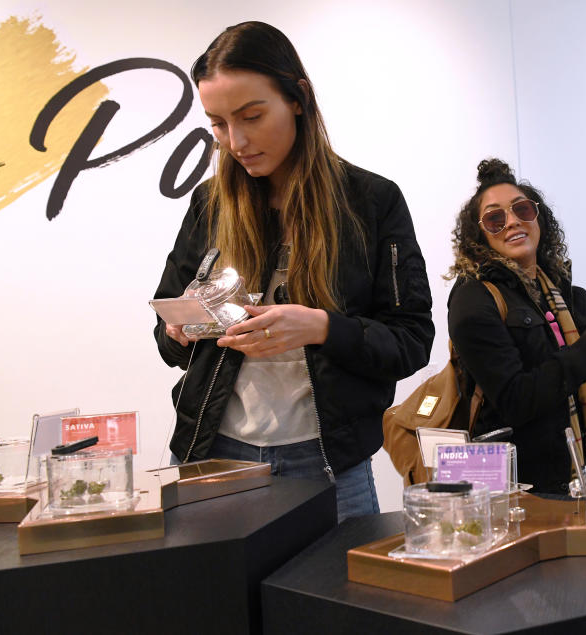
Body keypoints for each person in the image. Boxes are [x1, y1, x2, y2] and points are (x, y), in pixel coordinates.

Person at [152, 22, 434, 522]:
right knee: (211, 603)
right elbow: (167, 336)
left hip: (327, 464)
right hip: (211, 455)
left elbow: (411, 340)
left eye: (252, 116)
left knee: (326, 601)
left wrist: (322, 328)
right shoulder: (210, 202)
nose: (235, 141)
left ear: (298, 99)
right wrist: (179, 330)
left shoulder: (371, 201)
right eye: (217, 123)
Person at [446, 158, 586, 496]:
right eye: (495, 218)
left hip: (578, 478)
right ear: (480, 235)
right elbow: (516, 400)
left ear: (539, 218)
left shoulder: (564, 292)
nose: (512, 222)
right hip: (519, 490)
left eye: (522, 209)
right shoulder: (472, 300)